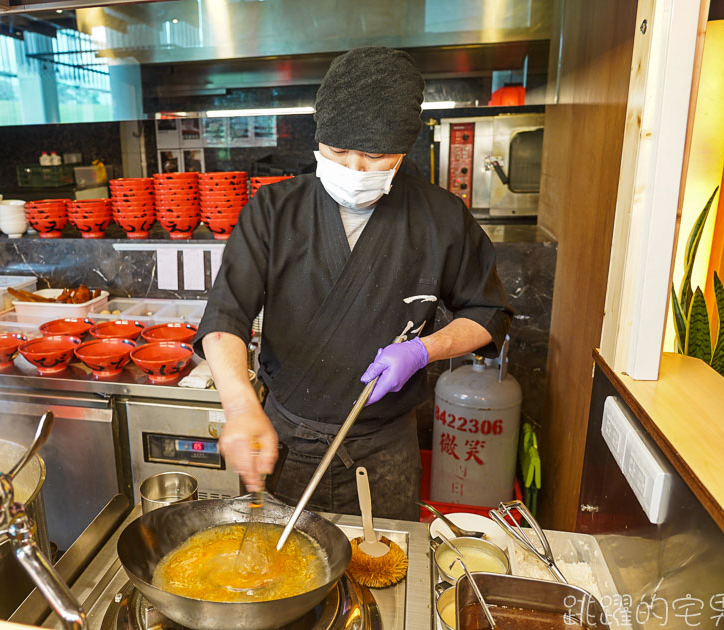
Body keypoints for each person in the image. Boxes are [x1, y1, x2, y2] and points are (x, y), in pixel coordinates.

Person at [192, 47, 512, 521]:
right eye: (338, 151)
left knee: (387, 575)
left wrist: (424, 350)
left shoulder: (440, 219)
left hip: (385, 451)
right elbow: (225, 317)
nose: (355, 169)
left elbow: (488, 315)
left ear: (404, 149)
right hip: (282, 440)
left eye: (375, 154)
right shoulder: (273, 210)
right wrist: (240, 406)